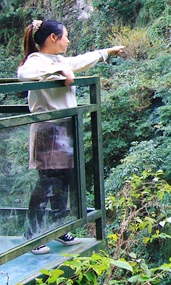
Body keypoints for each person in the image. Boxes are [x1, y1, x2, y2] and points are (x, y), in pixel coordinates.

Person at [17, 19, 124, 254]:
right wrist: (61, 71)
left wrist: (106, 52)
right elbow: (24, 73)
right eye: (65, 36)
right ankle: (33, 234)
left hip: (64, 129)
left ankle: (59, 227)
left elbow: (79, 61)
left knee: (63, 181)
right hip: (47, 130)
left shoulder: (58, 59)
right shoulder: (36, 61)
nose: (68, 40)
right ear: (53, 38)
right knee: (46, 182)